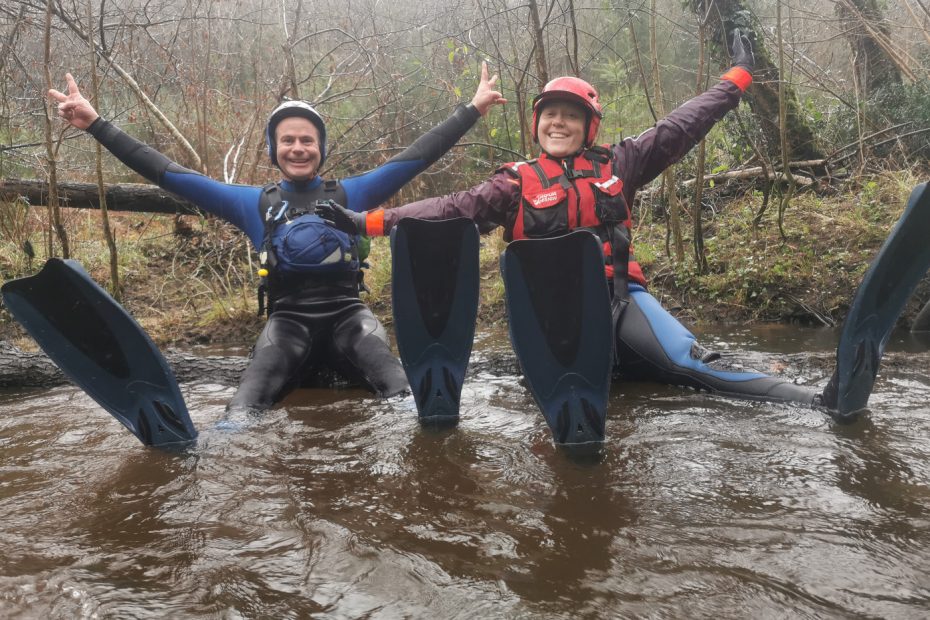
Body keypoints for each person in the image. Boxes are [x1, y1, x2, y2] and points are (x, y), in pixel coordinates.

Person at [318, 30, 825, 408]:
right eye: (550, 115)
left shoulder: (621, 163)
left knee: (693, 367)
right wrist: (368, 223)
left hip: (622, 302)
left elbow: (683, 124)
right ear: (537, 123)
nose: (558, 122)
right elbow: (451, 210)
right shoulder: (513, 182)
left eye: (571, 116)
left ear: (588, 126)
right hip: (553, 319)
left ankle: (817, 401)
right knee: (567, 395)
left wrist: (736, 79)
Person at [49, 64, 506, 413]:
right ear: (273, 149)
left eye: (307, 140)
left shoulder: (353, 193)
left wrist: (473, 109)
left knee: (403, 393)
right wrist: (96, 124)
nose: (298, 148)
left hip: (351, 317)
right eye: (287, 140)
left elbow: (417, 156)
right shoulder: (250, 202)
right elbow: (167, 174)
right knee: (243, 407)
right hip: (287, 323)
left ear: (320, 148)